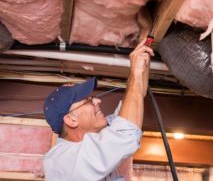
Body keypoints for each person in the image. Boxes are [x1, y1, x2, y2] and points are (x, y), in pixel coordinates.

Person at [43, 39, 154, 181]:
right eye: (88, 101)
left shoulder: (92, 141)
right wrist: (135, 72)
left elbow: (134, 101)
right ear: (71, 120)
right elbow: (127, 130)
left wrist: (142, 51)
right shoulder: (62, 161)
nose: (98, 101)